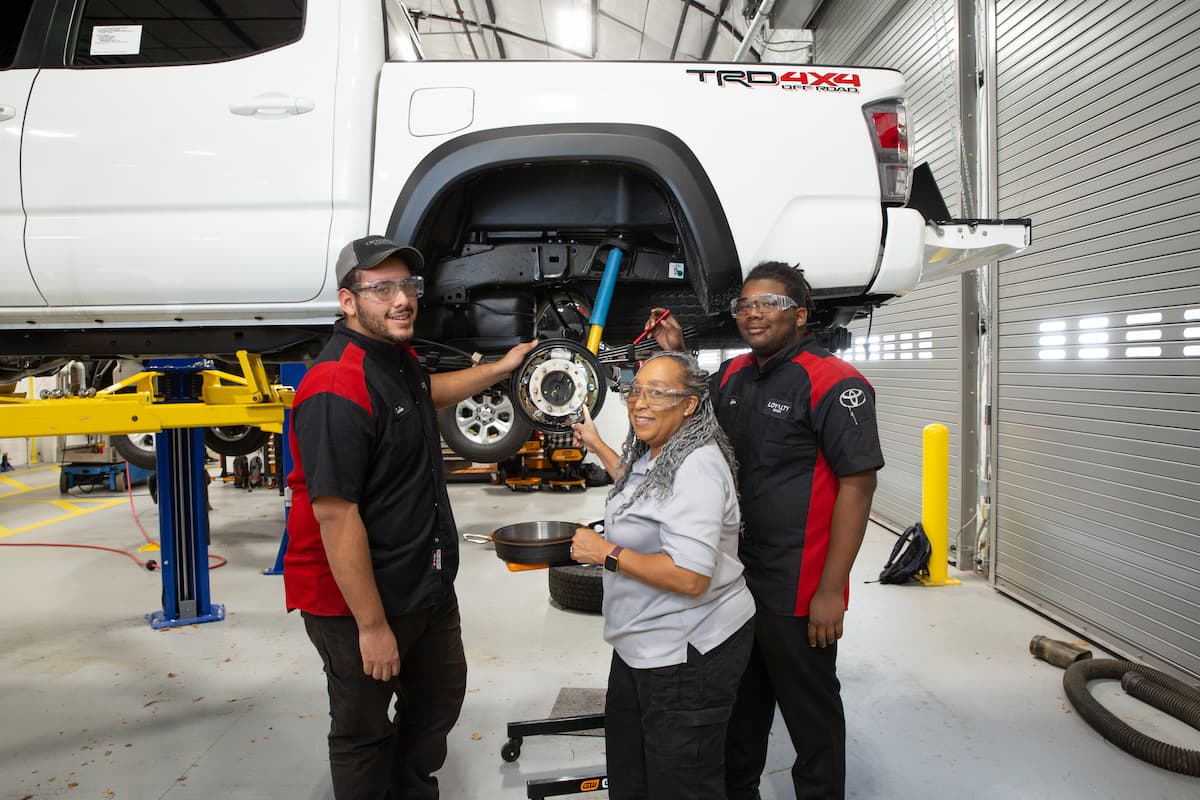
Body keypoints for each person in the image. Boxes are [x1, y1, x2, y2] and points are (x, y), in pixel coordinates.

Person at [283, 235, 537, 800]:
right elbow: (336, 517)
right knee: (364, 732)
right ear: (348, 301)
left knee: (436, 703)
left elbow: (428, 391)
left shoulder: (396, 359)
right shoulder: (335, 386)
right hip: (356, 603)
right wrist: (372, 628)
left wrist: (501, 369)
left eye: (407, 286)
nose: (401, 300)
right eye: (381, 289)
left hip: (421, 583)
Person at [647, 261, 884, 800]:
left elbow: (858, 487)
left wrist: (830, 591)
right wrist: (678, 350)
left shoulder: (836, 383)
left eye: (769, 303)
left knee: (811, 718)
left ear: (801, 315)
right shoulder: (732, 376)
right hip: (734, 581)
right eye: (744, 304)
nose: (752, 312)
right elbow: (691, 416)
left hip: (797, 588)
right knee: (740, 710)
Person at [570, 350, 756, 800]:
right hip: (641, 644)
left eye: (658, 393)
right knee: (633, 774)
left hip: (687, 653)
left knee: (681, 783)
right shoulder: (659, 452)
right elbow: (646, 493)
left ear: (689, 404)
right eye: (636, 391)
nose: (640, 403)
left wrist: (605, 553)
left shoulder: (698, 466)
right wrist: (596, 443)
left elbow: (691, 577)